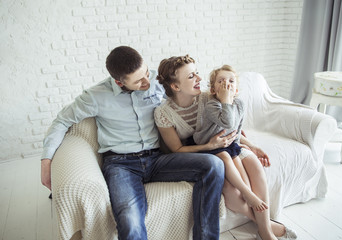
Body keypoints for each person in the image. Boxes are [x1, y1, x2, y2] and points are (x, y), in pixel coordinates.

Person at [40, 46, 230, 240]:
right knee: (130, 221)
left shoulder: (158, 81)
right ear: (119, 81)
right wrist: (46, 161)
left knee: (213, 165)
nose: (147, 81)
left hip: (157, 159)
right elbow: (62, 121)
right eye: (139, 80)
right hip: (121, 165)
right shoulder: (95, 96)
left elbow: (186, 98)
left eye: (146, 73)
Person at [154, 55, 297, 240]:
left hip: (227, 143)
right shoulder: (164, 113)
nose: (199, 78)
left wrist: (252, 146)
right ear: (175, 86)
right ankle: (265, 225)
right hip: (204, 150)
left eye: (197, 73)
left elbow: (231, 124)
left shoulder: (208, 97)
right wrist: (209, 145)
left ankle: (265, 231)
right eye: (191, 77)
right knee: (233, 191)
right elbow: (177, 149)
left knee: (255, 166)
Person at [192, 64, 268, 212]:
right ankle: (247, 193)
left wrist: (239, 144)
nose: (226, 84)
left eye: (231, 81)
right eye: (221, 81)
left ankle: (248, 194)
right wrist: (226, 100)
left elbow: (237, 128)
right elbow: (228, 122)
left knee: (239, 165)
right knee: (226, 157)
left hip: (228, 144)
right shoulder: (212, 105)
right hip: (210, 144)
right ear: (213, 90)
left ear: (237, 90)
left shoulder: (239, 104)